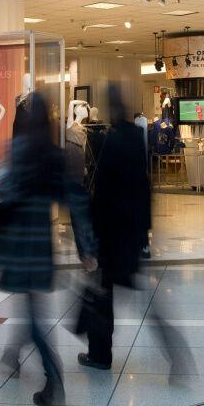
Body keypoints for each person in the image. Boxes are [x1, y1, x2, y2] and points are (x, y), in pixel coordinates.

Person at [0, 92, 96, 406]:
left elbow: (3, 194)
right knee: (31, 308)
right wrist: (87, 247)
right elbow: (76, 201)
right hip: (41, 247)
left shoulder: (19, 152)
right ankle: (13, 356)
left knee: (33, 315)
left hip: (18, 246)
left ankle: (54, 378)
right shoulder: (53, 155)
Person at [79, 86, 190, 376]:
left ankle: (100, 354)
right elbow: (145, 188)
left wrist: (90, 240)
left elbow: (101, 194)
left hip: (111, 238)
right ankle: (177, 354)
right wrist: (144, 234)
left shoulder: (113, 141)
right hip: (131, 236)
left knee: (103, 298)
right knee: (147, 304)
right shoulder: (134, 139)